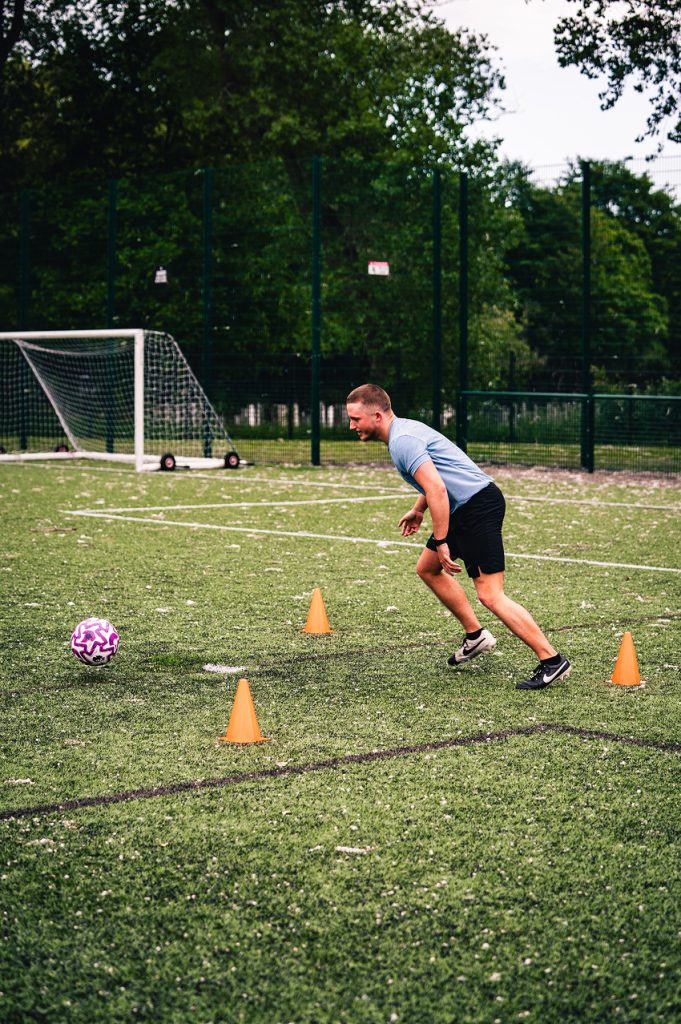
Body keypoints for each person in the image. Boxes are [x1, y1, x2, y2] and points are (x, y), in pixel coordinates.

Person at [345, 383, 571, 691]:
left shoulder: (402, 441)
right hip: (465, 507)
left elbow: (437, 488)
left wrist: (442, 540)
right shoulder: (403, 433)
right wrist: (418, 510)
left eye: (355, 419)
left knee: (491, 594)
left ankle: (552, 660)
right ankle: (475, 636)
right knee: (427, 568)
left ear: (376, 415)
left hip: (477, 506)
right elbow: (436, 480)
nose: (351, 425)